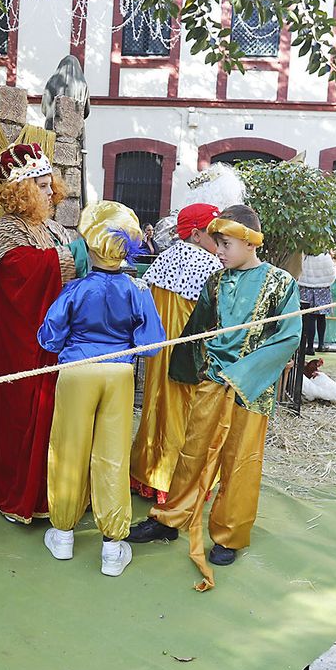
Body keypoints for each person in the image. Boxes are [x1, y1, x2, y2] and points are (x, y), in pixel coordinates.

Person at [128, 205, 302, 588]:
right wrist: (188, 370)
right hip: (211, 382)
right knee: (193, 451)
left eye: (225, 244)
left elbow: (288, 336)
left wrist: (243, 374)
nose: (218, 251)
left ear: (249, 241)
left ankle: (228, 534)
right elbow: (198, 328)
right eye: (217, 243)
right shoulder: (215, 282)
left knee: (240, 460)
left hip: (251, 389)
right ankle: (170, 518)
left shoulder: (280, 283)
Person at [37, 201, 166, 576]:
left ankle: (62, 534)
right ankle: (112, 546)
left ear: (89, 246)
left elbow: (48, 338)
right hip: (119, 374)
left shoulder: (75, 291)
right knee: (112, 455)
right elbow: (152, 343)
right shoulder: (137, 290)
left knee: (68, 448)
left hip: (78, 371)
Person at [0, 141, 87, 524]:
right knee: (22, 411)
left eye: (48, 183)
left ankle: (54, 489)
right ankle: (17, 494)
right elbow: (18, 280)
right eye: (40, 185)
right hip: (22, 343)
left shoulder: (56, 227)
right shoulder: (5, 229)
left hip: (61, 339)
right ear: (21, 191)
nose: (49, 190)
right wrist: (74, 258)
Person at [129, 203, 224, 505]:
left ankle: (149, 472)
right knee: (188, 412)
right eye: (214, 233)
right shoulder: (210, 267)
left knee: (157, 405)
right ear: (196, 234)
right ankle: (179, 479)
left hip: (159, 354)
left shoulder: (164, 259)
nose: (220, 241)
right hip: (190, 357)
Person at [297, 250, 336, 355]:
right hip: (322, 288)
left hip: (306, 288)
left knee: (309, 317)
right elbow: (332, 274)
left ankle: (309, 346)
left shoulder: (302, 255)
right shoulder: (325, 256)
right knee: (321, 317)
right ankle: (321, 344)